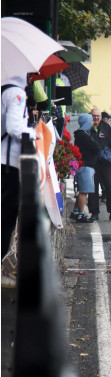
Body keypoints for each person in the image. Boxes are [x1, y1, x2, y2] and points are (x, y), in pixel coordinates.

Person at [1, 76, 37, 258]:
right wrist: (33, 133)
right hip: (8, 163)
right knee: (6, 217)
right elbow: (15, 127)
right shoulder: (16, 93)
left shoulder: (4, 90)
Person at [87, 109, 111, 221]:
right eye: (93, 116)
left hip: (107, 163)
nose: (95, 118)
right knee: (93, 189)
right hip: (93, 163)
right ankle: (94, 213)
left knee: (110, 188)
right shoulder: (87, 128)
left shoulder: (106, 128)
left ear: (101, 117)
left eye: (97, 116)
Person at [71, 114, 101, 223]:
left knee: (82, 190)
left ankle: (75, 211)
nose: (93, 122)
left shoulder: (81, 134)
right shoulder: (83, 135)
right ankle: (81, 214)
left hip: (84, 165)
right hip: (86, 165)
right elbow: (97, 147)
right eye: (91, 120)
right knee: (83, 191)